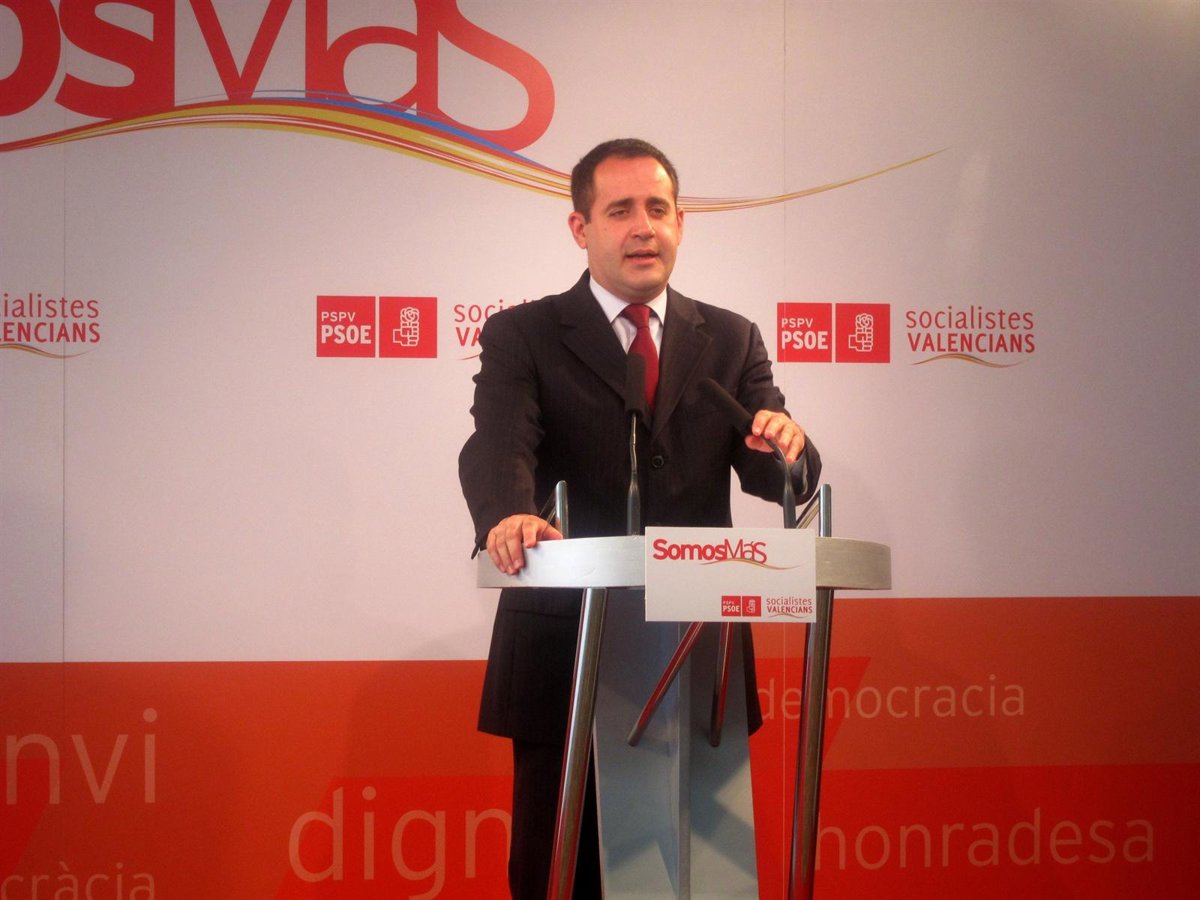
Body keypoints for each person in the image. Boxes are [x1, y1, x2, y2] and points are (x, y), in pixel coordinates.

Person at [459, 138, 821, 898]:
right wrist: (509, 514)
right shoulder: (524, 334)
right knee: (561, 872)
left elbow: (778, 469)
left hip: (697, 653)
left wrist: (789, 450)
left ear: (681, 223)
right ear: (581, 228)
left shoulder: (729, 338)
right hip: (568, 646)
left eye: (658, 208)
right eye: (620, 210)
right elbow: (498, 445)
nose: (642, 227)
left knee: (697, 875)